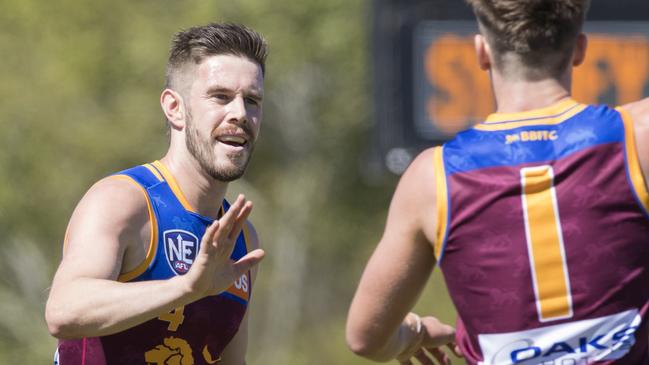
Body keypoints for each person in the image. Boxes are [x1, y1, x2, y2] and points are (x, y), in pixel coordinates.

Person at [347, 0, 649, 364]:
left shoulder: (433, 177)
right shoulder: (636, 136)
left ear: (482, 52)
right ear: (581, 49)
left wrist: (416, 333)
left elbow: (365, 336)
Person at [45, 23, 268, 365]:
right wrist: (186, 289)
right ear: (174, 107)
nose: (239, 113)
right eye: (220, 96)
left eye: (251, 100)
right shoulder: (124, 202)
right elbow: (63, 311)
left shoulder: (241, 239)